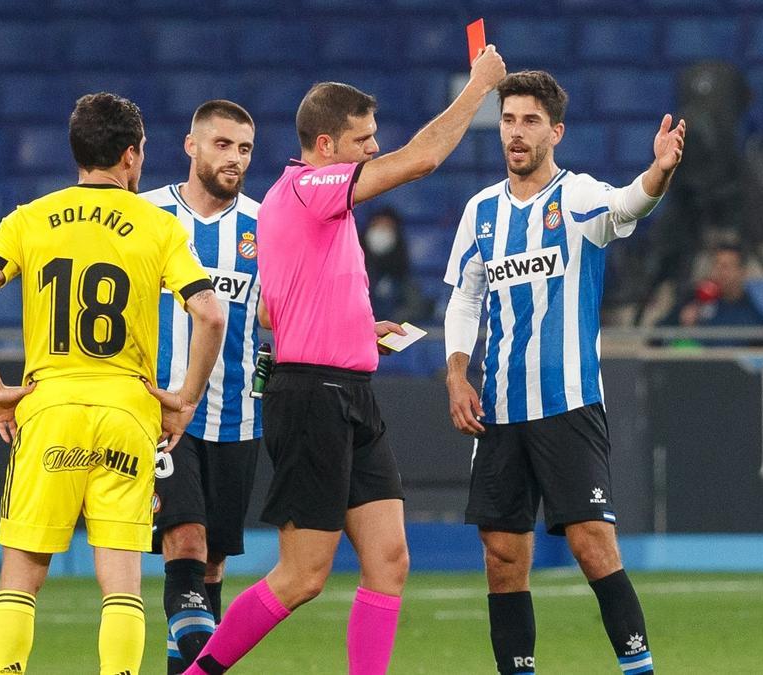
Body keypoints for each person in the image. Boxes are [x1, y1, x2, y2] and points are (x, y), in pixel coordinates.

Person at [186, 46, 507, 675]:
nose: (372, 149)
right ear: (327, 144)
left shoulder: (298, 207)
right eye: (363, 140)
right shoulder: (309, 189)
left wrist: (360, 326)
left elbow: (277, 313)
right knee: (303, 575)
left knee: (389, 561)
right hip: (310, 398)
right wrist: (478, 89)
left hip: (348, 391)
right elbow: (422, 160)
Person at [0, 92, 226, 675]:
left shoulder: (30, 218)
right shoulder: (159, 225)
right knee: (120, 579)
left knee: (21, 575)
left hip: (49, 408)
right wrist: (185, 401)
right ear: (130, 155)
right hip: (127, 410)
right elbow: (211, 314)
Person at [442, 70, 684, 675]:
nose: (515, 133)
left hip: (567, 403)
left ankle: (640, 669)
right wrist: (456, 373)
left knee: (592, 546)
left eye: (529, 121)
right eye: (507, 120)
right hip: (497, 410)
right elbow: (465, 300)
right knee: (501, 555)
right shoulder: (481, 212)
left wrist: (659, 172)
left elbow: (631, 201)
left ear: (556, 131)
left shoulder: (575, 198)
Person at [139, 99, 263, 673]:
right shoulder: (145, 215)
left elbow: (279, 315)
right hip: (163, 414)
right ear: (191, 146)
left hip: (236, 416)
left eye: (243, 148)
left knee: (211, 566)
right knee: (184, 544)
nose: (234, 158)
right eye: (222, 144)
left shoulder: (265, 227)